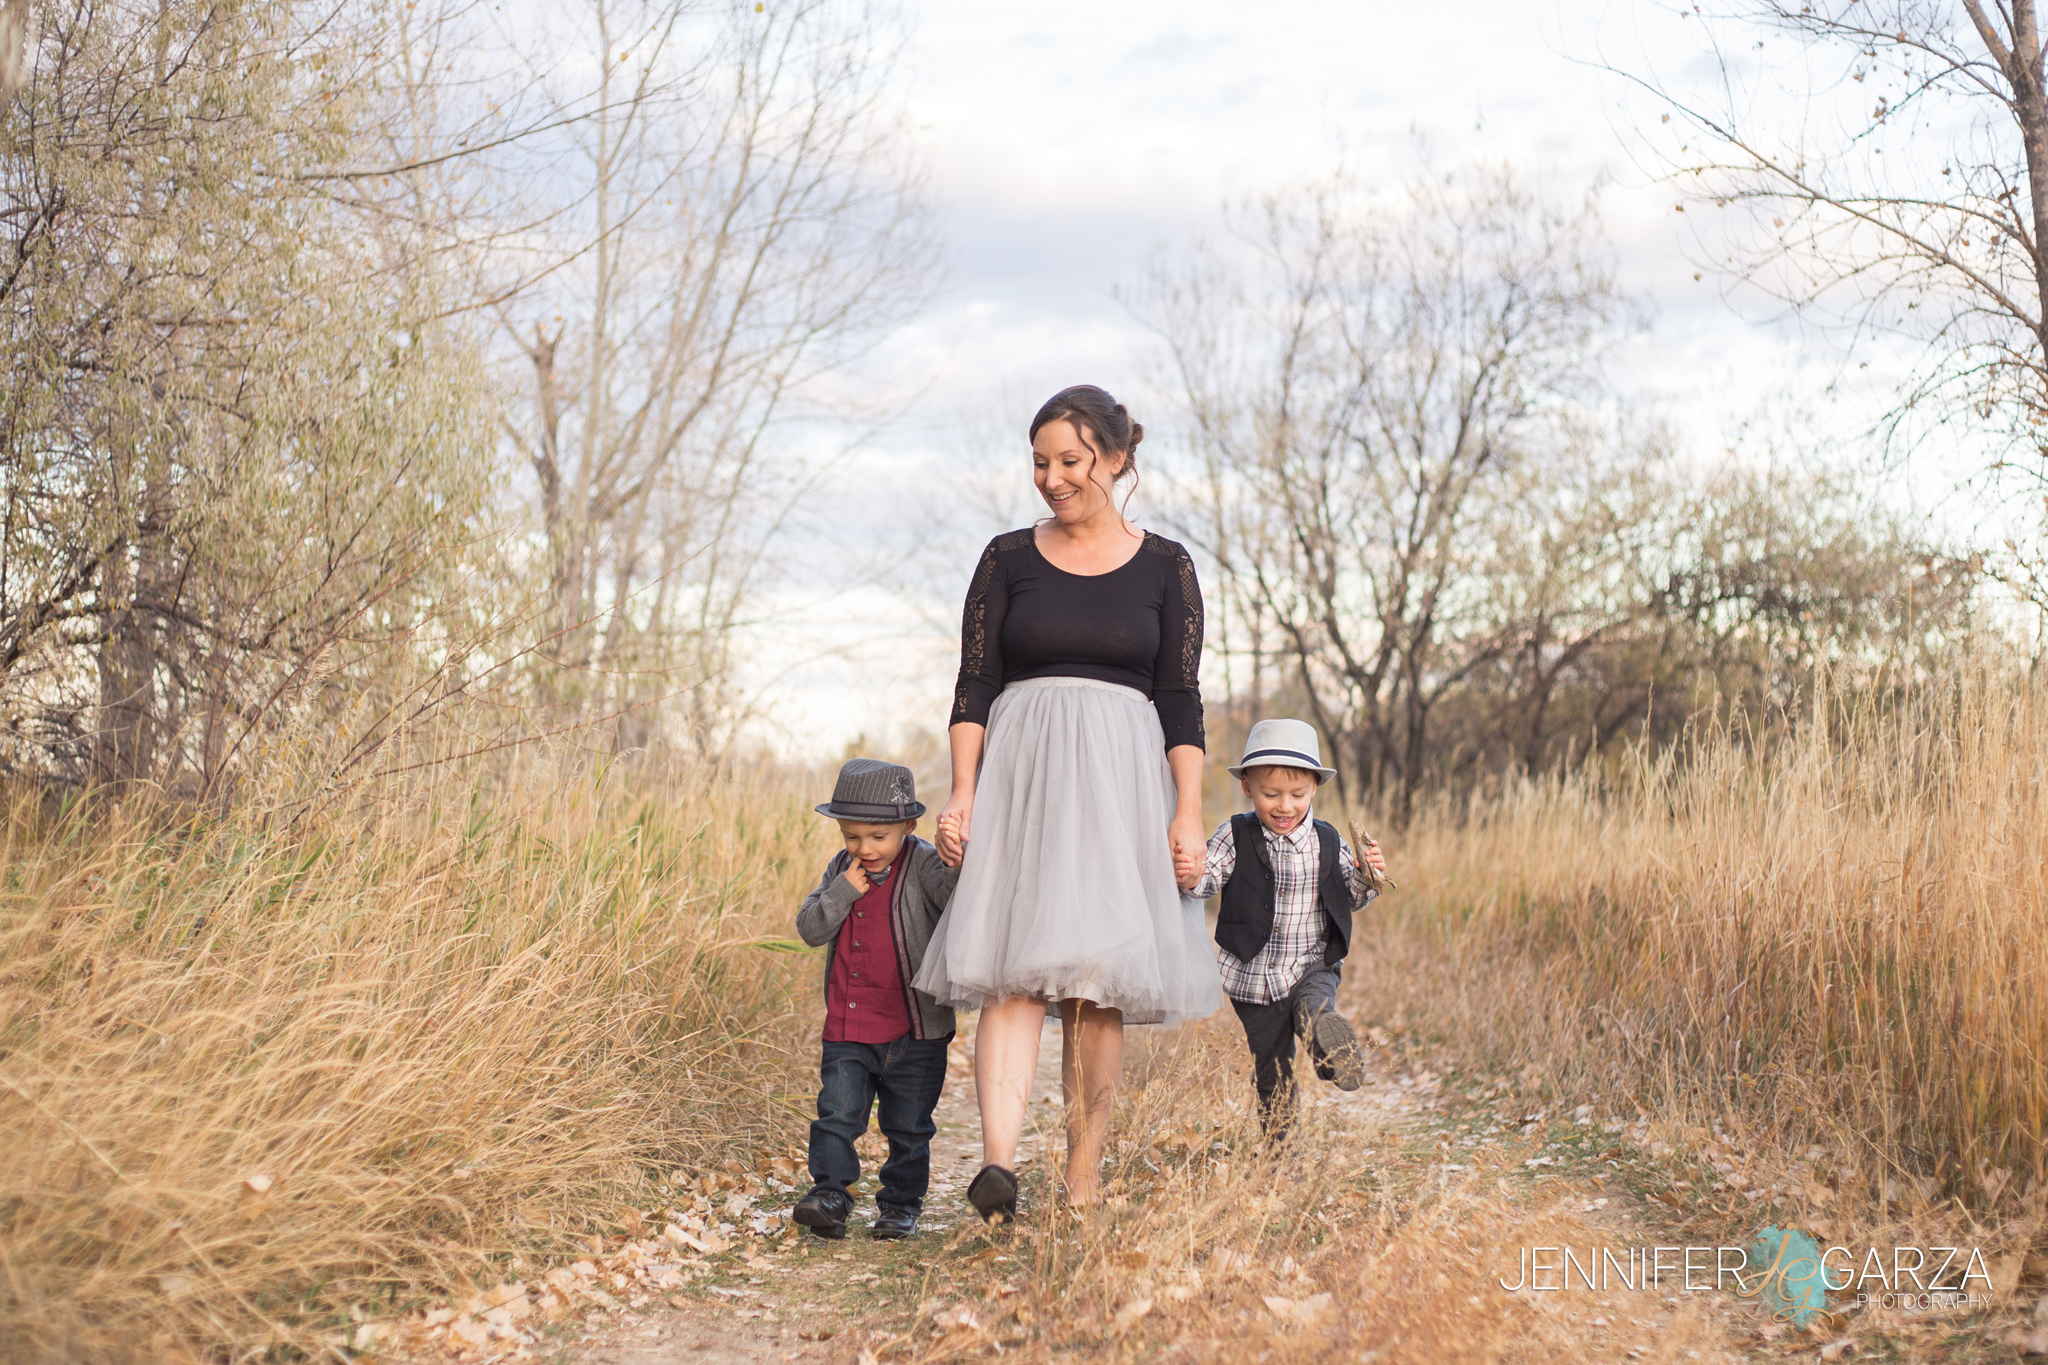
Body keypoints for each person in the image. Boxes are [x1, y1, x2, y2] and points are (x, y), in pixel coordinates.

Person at [914, 384, 1220, 1224]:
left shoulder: (1168, 566)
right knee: (1009, 968)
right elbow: (974, 683)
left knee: (1098, 980)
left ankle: (1082, 1174)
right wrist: (963, 793)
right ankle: (999, 1165)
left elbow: (1180, 697)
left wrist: (1187, 809)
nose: (1052, 478)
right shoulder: (1006, 557)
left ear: (1116, 459)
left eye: (1071, 461)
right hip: (1021, 775)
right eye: (1040, 462)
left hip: (1121, 781)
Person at [1173, 719, 1390, 1139]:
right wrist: (1188, 874)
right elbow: (1207, 880)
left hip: (1313, 963)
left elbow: (1354, 896)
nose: (1285, 806)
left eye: (1297, 794)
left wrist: (1369, 873)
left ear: (1314, 789)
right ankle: (1280, 1153)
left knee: (1313, 1010)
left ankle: (1329, 1050)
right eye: (1271, 794)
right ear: (1249, 787)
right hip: (1253, 981)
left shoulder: (1328, 841)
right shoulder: (1233, 835)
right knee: (1273, 1070)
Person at [790, 759, 958, 1241]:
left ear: (908, 826)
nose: (865, 849)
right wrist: (842, 891)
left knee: (908, 1126)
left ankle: (901, 1204)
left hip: (914, 1031)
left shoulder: (924, 862)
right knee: (837, 1115)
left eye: (878, 836)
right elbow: (809, 929)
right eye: (852, 836)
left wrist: (958, 861)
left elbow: (953, 901)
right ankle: (829, 1194)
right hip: (849, 1028)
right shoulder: (840, 871)